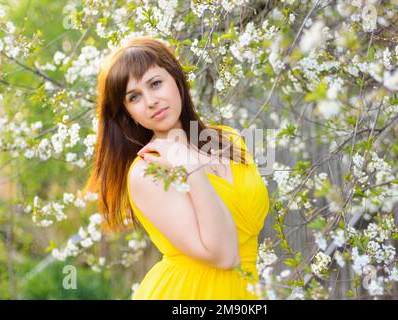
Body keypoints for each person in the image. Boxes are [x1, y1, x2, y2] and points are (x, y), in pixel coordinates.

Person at [85, 36, 269, 299]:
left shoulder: (230, 139)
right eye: (134, 97)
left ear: (177, 80)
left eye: (156, 83)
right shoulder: (146, 171)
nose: (150, 101)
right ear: (128, 113)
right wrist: (191, 168)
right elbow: (225, 255)